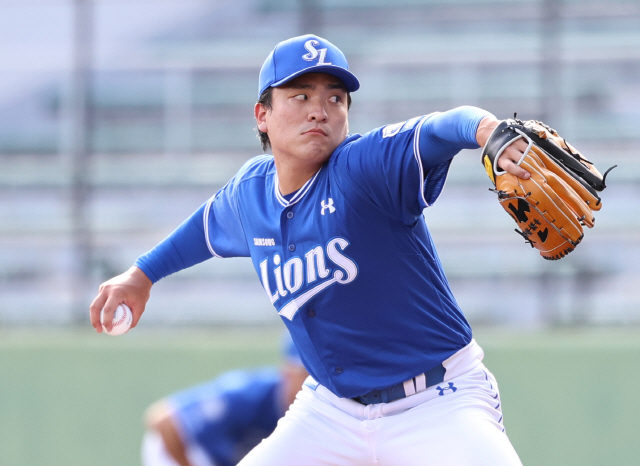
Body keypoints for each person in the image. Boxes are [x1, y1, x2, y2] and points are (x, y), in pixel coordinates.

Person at [91, 34, 531, 465]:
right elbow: (203, 228)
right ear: (262, 115)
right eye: (300, 97)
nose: (319, 111)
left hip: (437, 402)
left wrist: (487, 130)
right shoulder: (251, 193)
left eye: (335, 98)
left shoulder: (364, 167)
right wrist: (142, 274)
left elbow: (439, 126)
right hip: (331, 413)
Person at [141, 336, 308, 466]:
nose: (312, 381)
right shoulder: (248, 395)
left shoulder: (313, 409)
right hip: (184, 450)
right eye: (306, 374)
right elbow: (163, 421)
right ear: (287, 372)